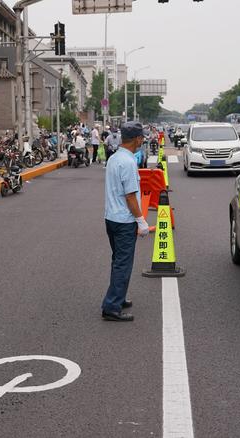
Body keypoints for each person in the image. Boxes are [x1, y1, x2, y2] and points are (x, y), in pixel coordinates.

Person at [101, 122, 149, 321]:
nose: (143, 140)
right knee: (123, 263)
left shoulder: (114, 157)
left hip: (111, 218)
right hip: (124, 221)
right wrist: (141, 221)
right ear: (137, 139)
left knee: (118, 261)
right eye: (142, 137)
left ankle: (118, 298)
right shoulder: (128, 162)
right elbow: (130, 196)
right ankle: (112, 307)